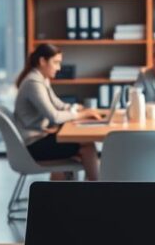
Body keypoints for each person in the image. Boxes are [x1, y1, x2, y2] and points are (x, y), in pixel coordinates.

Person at [13, 43, 101, 180]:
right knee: (88, 146)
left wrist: (77, 108)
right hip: (33, 147)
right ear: (42, 61)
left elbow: (58, 105)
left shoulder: (41, 79)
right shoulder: (33, 83)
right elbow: (54, 116)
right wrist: (83, 114)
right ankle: (98, 191)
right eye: (56, 63)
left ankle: (64, 193)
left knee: (84, 145)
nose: (59, 68)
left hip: (39, 139)